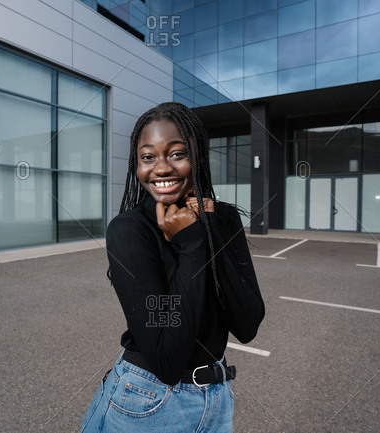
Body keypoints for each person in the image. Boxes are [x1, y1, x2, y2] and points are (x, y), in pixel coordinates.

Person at [81, 102, 265, 432]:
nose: (161, 168)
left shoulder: (222, 218)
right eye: (148, 157)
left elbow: (248, 324)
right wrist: (193, 245)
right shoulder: (130, 230)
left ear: (198, 157)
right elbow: (168, 358)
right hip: (148, 401)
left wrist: (207, 231)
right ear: (136, 165)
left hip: (218, 400)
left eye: (177, 153)